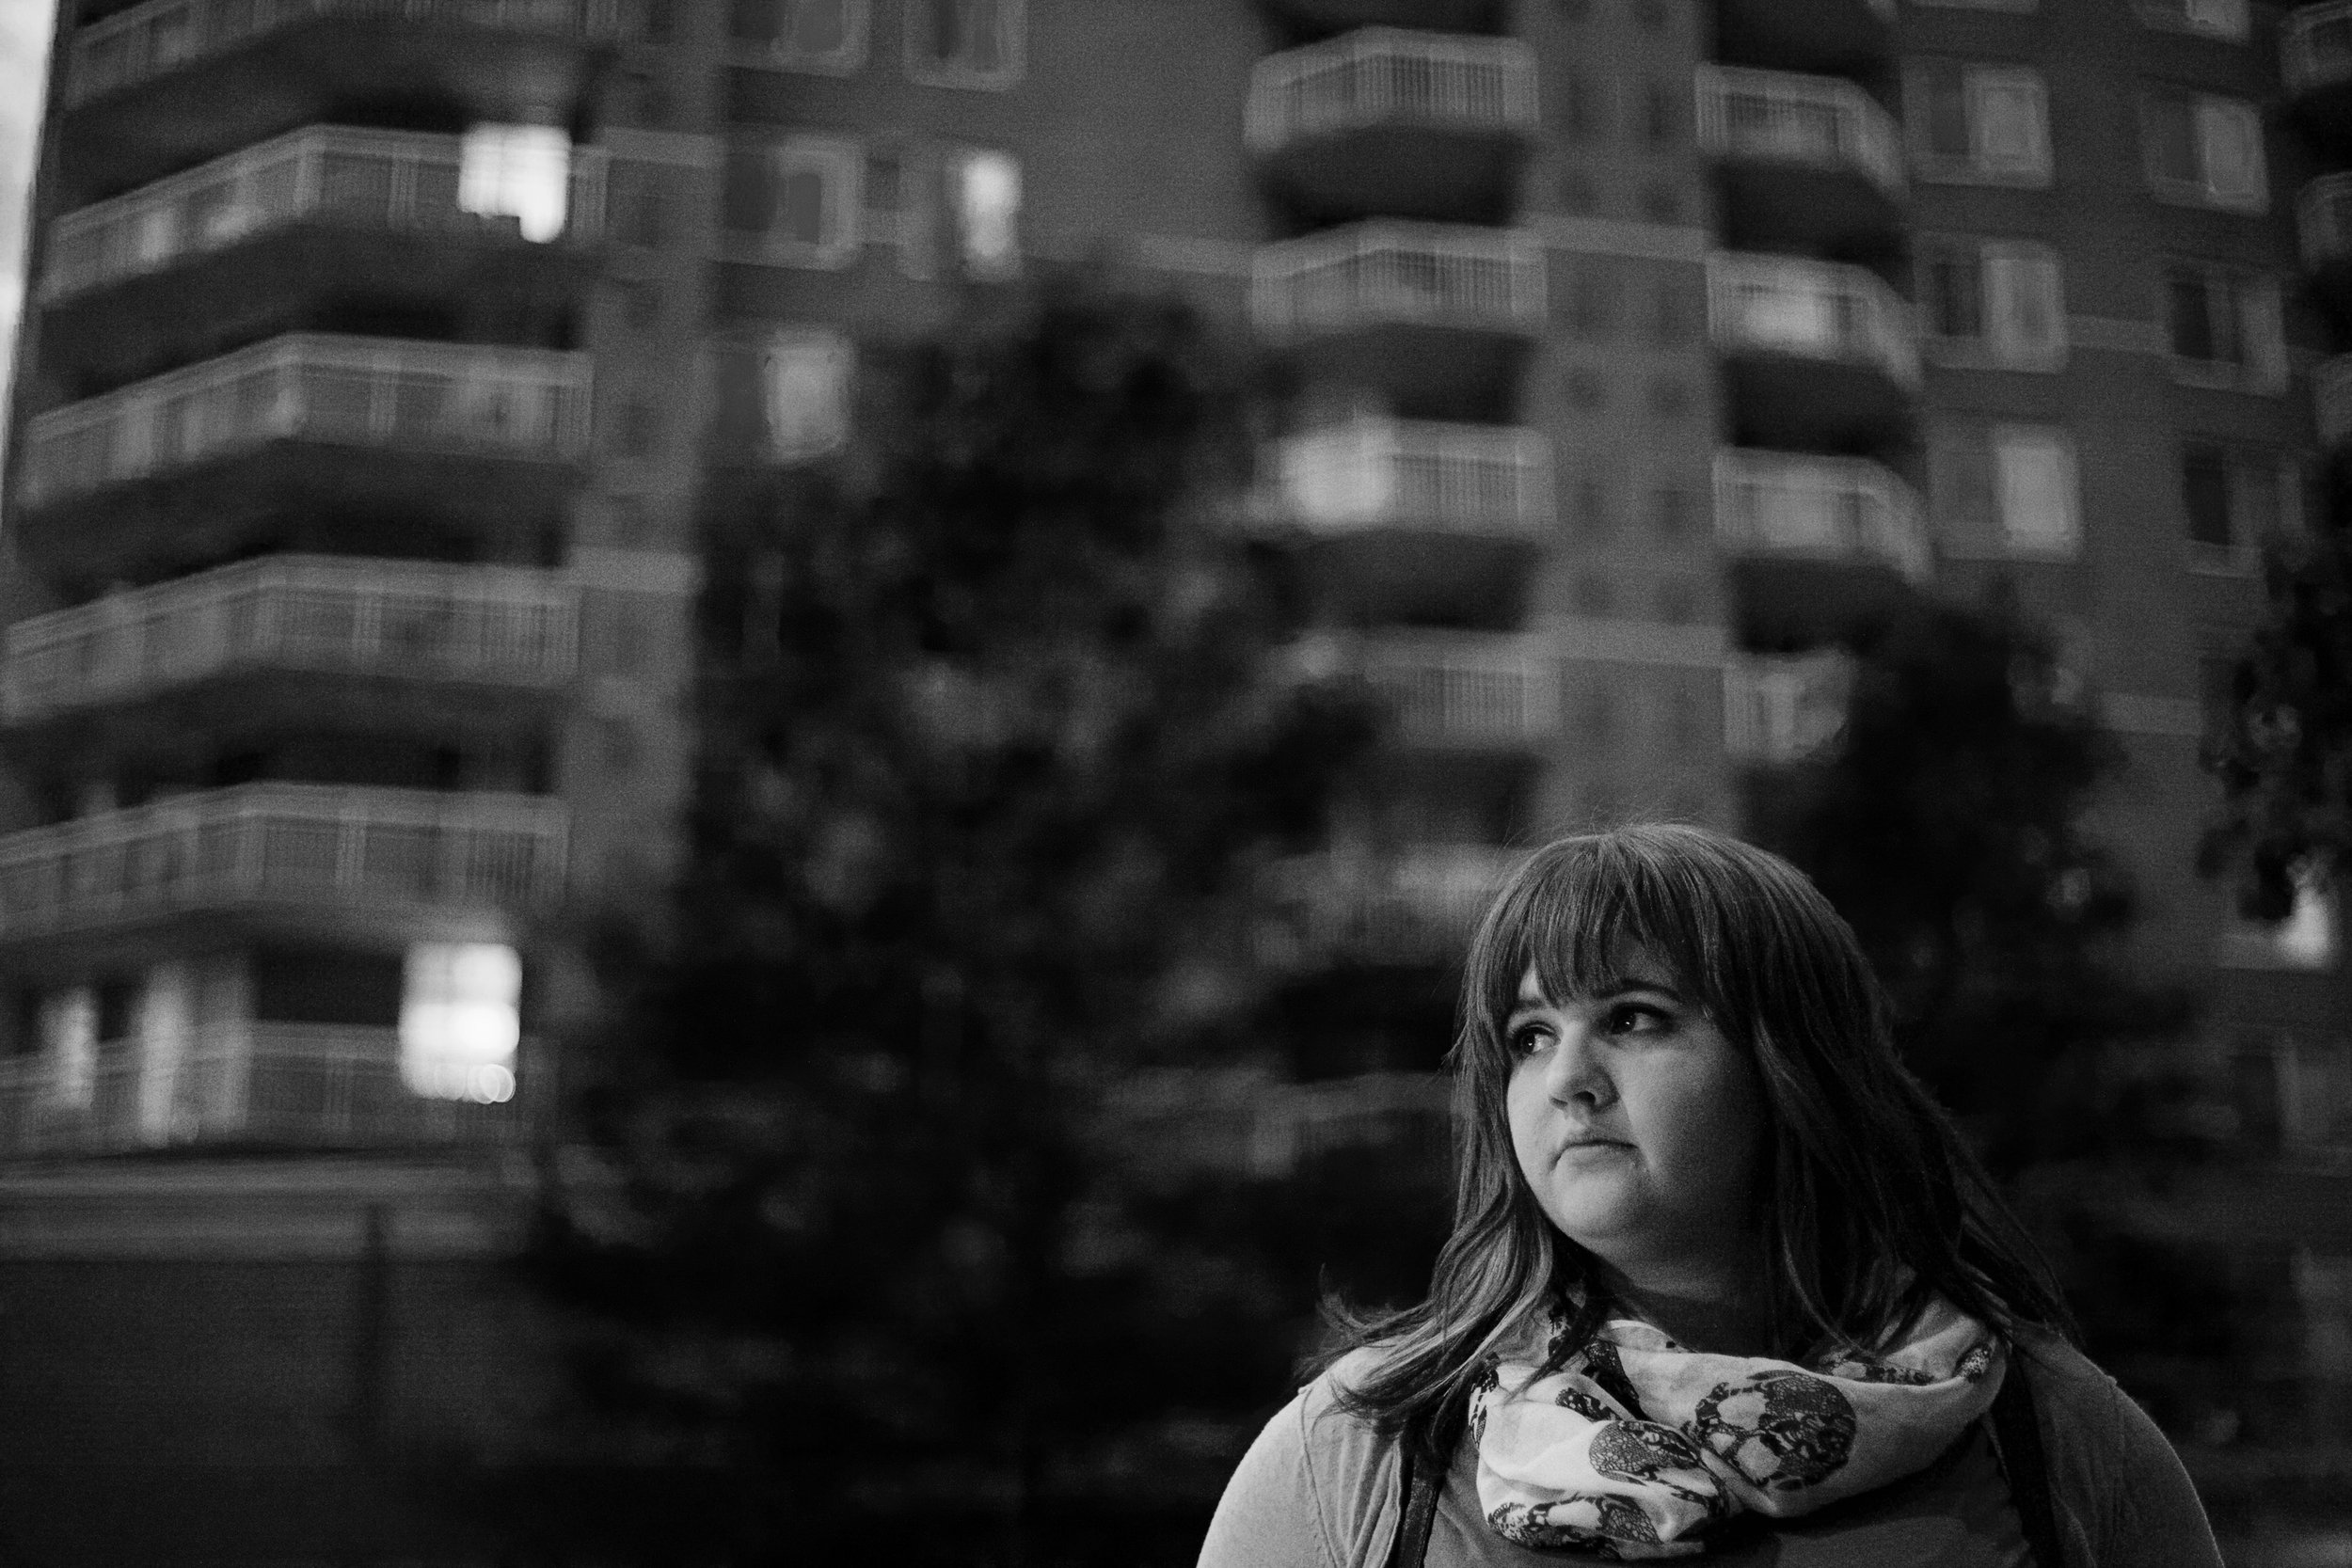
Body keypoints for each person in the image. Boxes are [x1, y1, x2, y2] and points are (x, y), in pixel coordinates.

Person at [1199, 825, 2223, 1567]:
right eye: (1530, 1035)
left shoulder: (2053, 1432)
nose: (1567, 1078)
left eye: (1634, 1017)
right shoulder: (1363, 1448)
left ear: (1792, 1067)